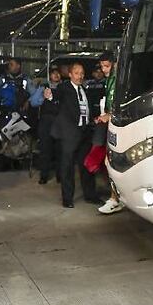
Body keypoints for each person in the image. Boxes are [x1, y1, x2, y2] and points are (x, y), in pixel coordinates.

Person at [51, 62, 99, 208]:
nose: (80, 76)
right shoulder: (64, 88)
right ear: (70, 74)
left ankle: (90, 196)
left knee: (86, 165)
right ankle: (67, 199)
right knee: (67, 167)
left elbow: (86, 109)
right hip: (69, 133)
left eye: (82, 73)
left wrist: (93, 119)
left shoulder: (84, 89)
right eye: (77, 73)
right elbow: (55, 95)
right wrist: (49, 96)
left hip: (85, 132)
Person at [93, 53, 124, 215]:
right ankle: (116, 197)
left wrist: (109, 115)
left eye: (107, 66)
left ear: (115, 63)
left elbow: (122, 105)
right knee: (108, 162)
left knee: (111, 162)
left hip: (119, 125)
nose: (104, 69)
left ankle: (116, 198)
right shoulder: (110, 79)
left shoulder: (120, 79)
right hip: (111, 125)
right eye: (102, 66)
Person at [33, 66, 63, 184]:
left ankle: (60, 175)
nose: (56, 75)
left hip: (59, 122)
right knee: (45, 150)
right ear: (49, 76)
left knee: (60, 150)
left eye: (58, 73)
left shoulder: (64, 87)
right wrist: (42, 96)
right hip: (46, 122)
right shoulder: (43, 87)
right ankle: (43, 175)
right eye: (53, 73)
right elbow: (34, 102)